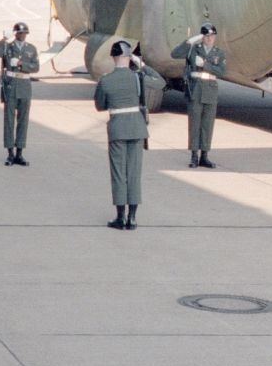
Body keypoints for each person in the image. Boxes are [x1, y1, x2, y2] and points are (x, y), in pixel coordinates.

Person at [93, 41, 166, 230]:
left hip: (117, 128)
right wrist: (141, 64)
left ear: (113, 57)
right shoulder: (138, 77)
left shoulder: (106, 80)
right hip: (136, 127)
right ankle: (132, 218)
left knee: (119, 173)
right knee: (134, 173)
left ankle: (120, 216)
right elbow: (160, 82)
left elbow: (100, 105)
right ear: (128, 58)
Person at [170, 22, 226, 168]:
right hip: (195, 89)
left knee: (207, 124)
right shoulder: (193, 50)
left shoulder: (218, 53)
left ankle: (204, 156)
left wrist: (204, 65)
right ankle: (194, 155)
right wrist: (190, 41)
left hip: (210, 90)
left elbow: (221, 72)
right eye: (206, 36)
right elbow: (175, 54)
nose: (209, 39)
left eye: (212, 36)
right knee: (195, 123)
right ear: (202, 37)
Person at [0, 21, 40, 166]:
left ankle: (20, 153)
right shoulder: (8, 47)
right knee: (9, 121)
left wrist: (21, 65)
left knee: (23, 121)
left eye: (24, 33)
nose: (22, 35)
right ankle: (10, 153)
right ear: (15, 34)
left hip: (24, 86)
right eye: (19, 33)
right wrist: (4, 40)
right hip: (11, 86)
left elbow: (36, 67)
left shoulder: (31, 49)